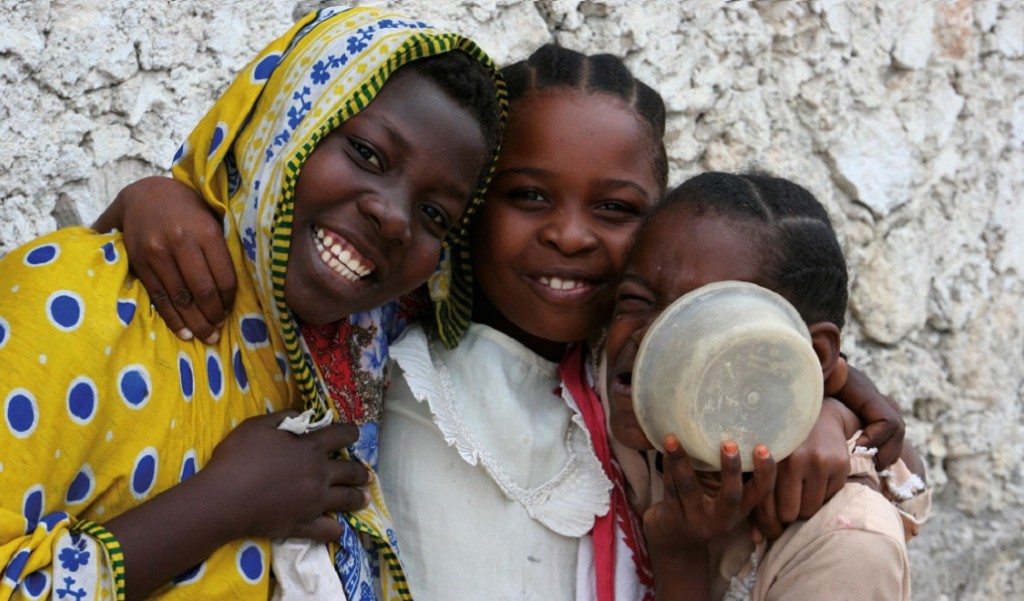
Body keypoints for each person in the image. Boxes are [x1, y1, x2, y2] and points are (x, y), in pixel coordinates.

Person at [98, 44, 910, 600]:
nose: (569, 233)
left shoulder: (633, 389)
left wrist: (820, 401)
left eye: (618, 209)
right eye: (527, 195)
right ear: (472, 208)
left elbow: (742, 338)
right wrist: (147, 198)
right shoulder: (384, 342)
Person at [0, 5, 505, 600]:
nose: (394, 218)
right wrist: (224, 504)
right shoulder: (77, 299)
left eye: (434, 215)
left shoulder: (355, 354)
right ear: (283, 123)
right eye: (368, 154)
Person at [604, 171, 931, 601]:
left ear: (812, 355)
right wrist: (839, 398)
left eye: (702, 320)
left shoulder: (844, 545)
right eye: (635, 300)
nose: (649, 337)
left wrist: (679, 553)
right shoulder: (611, 405)